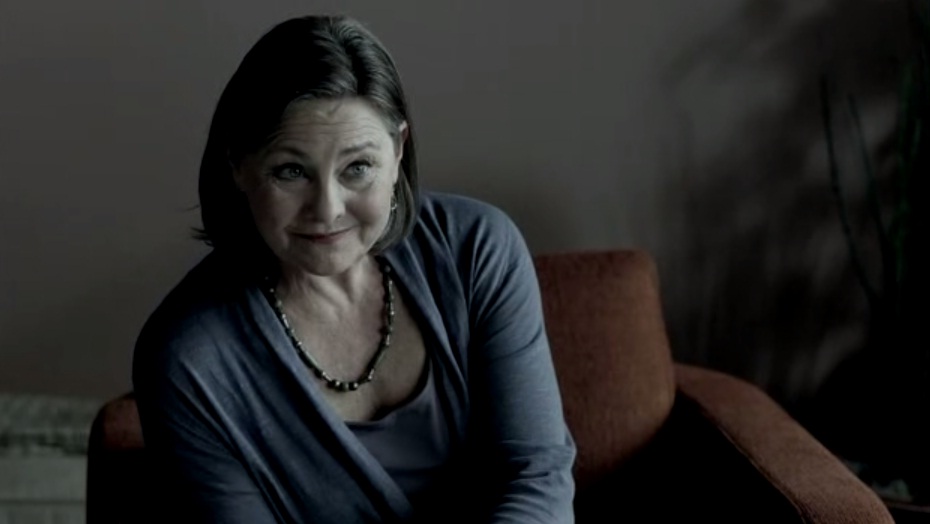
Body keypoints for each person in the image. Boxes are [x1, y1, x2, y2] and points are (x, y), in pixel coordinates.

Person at [132, 14, 576, 523]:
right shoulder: (188, 358)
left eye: (357, 168)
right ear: (238, 165)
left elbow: (536, 473)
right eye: (291, 171)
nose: (327, 209)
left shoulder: (478, 249)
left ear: (398, 150)